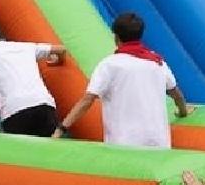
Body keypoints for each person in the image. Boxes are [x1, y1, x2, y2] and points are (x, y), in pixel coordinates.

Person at [53, 12, 191, 146]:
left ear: (116, 37)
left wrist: (61, 128)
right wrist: (183, 112)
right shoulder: (157, 62)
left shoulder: (110, 64)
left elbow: (87, 100)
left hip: (124, 145)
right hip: (158, 143)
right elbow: (176, 94)